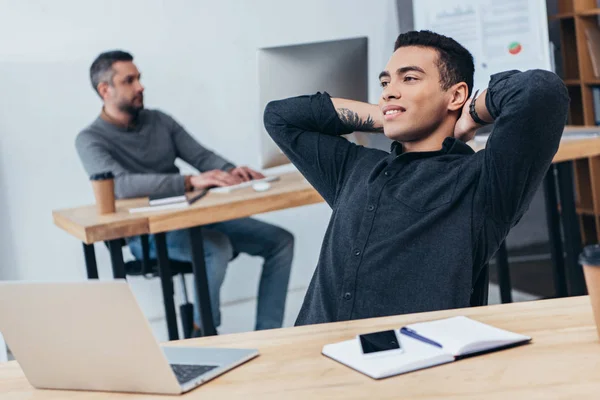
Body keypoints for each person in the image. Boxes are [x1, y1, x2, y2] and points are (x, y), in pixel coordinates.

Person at [264, 30, 569, 326]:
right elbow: (281, 117)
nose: (388, 91)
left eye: (409, 78)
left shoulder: (482, 183)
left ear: (456, 95)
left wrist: (471, 113)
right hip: (315, 360)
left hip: (411, 366)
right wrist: (388, 113)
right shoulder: (354, 167)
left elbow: (539, 90)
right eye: (386, 82)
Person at [76, 50, 294, 332]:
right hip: (150, 233)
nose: (140, 86)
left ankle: (269, 334)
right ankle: (203, 334)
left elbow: (202, 157)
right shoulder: (90, 139)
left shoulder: (160, 121)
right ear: (105, 89)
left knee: (280, 241)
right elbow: (120, 185)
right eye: (129, 80)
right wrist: (189, 182)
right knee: (216, 248)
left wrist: (232, 171)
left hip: (195, 217)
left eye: (139, 78)